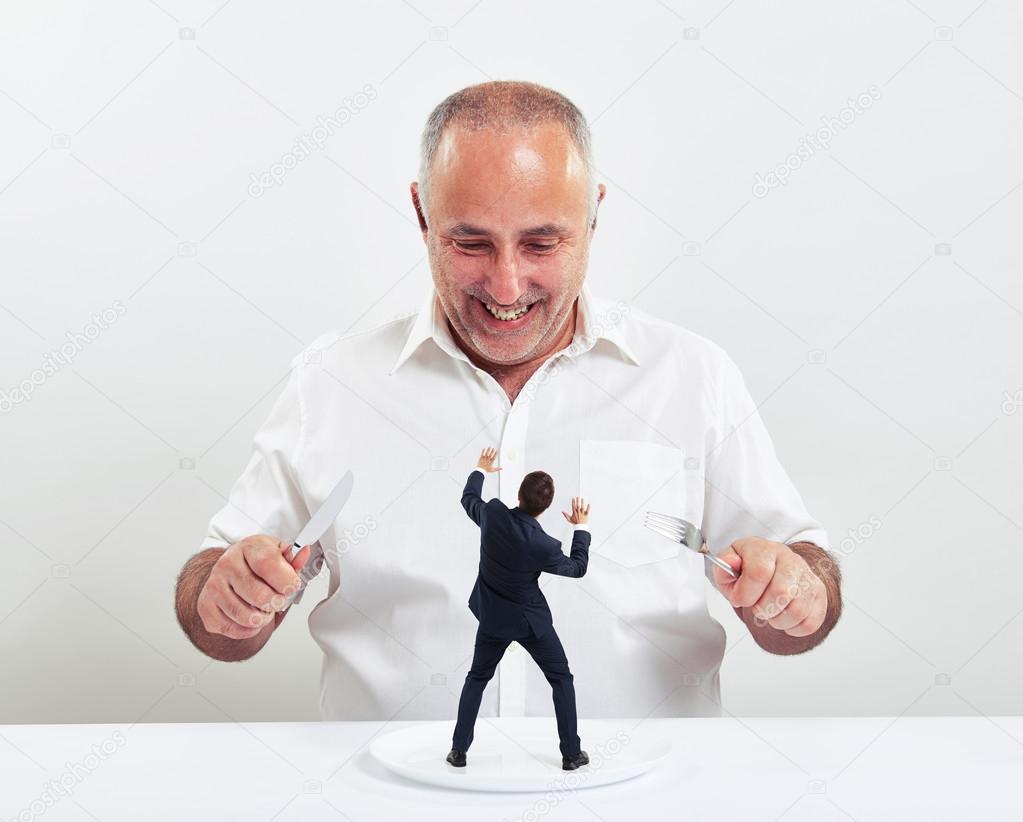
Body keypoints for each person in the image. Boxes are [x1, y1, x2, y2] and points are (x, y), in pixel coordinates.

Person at [175, 80, 842, 725]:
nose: (506, 283)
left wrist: (791, 593)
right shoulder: (330, 383)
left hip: (642, 797)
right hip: (384, 797)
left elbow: (798, 605)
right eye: (469, 242)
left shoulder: (691, 375)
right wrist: (228, 597)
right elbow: (218, 619)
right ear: (420, 215)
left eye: (541, 242)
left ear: (593, 214)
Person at [448, 447, 591, 770]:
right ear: (548, 507)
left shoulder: (494, 514)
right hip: (530, 623)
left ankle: (458, 751)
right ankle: (571, 754)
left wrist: (481, 469)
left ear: (518, 494)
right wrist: (580, 528)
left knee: (477, 678)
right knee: (561, 679)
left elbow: (469, 499)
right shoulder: (544, 545)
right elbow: (577, 567)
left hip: (493, 619)